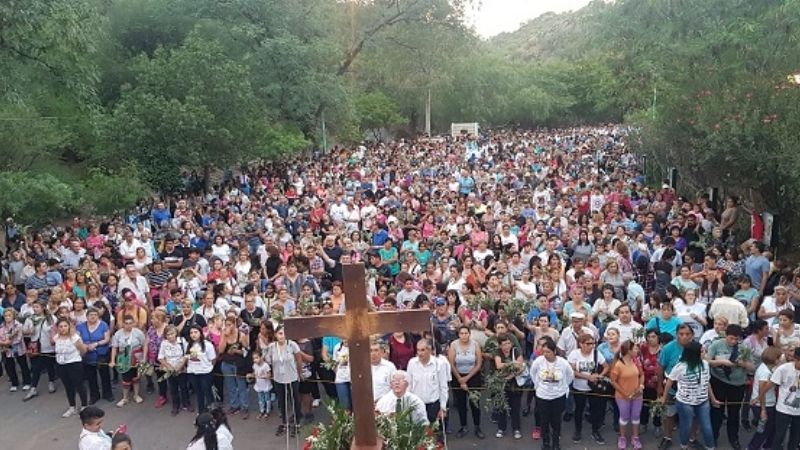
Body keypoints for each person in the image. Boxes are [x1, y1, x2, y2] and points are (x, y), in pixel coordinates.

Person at [659, 340, 720, 450]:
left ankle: (710, 447)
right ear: (694, 354)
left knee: (707, 427)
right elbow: (669, 381)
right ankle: (684, 445)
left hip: (703, 401)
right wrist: (664, 397)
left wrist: (713, 399)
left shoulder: (705, 364)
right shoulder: (681, 366)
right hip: (685, 403)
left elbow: (707, 382)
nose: (704, 354)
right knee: (686, 426)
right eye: (702, 352)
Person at [530, 336, 574, 450]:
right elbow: (533, 373)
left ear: (554, 351)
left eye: (548, 352)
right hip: (543, 396)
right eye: (543, 351)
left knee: (556, 421)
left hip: (558, 396)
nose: (545, 354)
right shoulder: (538, 361)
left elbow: (570, 376)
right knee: (544, 420)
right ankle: (546, 442)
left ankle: (556, 443)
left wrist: (563, 387)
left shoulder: (563, 363)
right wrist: (538, 385)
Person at [657, 324, 694, 450]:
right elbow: (660, 368)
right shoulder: (668, 348)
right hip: (672, 388)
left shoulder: (696, 347)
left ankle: (692, 438)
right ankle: (667, 437)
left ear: (692, 335)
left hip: (690, 389)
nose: (684, 337)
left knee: (692, 415)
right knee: (669, 414)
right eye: (681, 334)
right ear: (676, 334)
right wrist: (660, 389)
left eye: (687, 334)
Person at [567, 333, 608, 445]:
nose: (591, 346)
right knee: (579, 410)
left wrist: (599, 376)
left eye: (593, 343)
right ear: (581, 344)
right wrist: (588, 377)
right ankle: (578, 431)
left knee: (595, 410)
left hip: (593, 388)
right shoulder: (574, 354)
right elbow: (572, 371)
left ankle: (595, 431)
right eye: (588, 344)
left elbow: (606, 367)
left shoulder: (596, 353)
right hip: (579, 387)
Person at [759, 346, 800, 450]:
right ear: (795, 359)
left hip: (798, 411)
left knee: (795, 438)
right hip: (783, 409)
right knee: (779, 436)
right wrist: (759, 398)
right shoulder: (783, 369)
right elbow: (769, 385)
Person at [407, 339, 449, 437]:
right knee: (417, 435)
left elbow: (443, 387)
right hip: (416, 405)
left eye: (422, 350)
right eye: (418, 350)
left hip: (433, 405)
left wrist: (443, 407)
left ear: (429, 350)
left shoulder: (439, 364)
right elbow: (408, 385)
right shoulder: (412, 363)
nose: (420, 353)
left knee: (433, 435)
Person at [265, 325, 303, 436]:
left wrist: (299, 373)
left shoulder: (292, 345)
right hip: (278, 378)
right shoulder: (272, 346)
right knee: (281, 401)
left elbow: (299, 359)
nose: (282, 336)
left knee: (295, 400)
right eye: (280, 333)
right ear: (276, 335)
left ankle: (297, 423)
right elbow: (269, 360)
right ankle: (284, 423)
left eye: (284, 333)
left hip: (292, 377)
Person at [447, 325, 484, 439]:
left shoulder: (475, 344)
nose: (464, 335)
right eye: (461, 333)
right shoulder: (453, 345)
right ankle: (463, 426)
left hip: (473, 376)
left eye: (466, 333)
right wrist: (460, 379)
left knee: (475, 403)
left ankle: (477, 427)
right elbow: (451, 364)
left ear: (469, 334)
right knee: (461, 404)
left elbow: (479, 364)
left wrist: (466, 378)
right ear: (458, 335)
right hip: (458, 376)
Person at [609, 340, 645, 450]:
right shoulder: (618, 365)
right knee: (624, 417)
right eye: (635, 349)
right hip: (623, 397)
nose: (637, 350)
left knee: (636, 417)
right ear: (629, 351)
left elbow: (641, 374)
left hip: (637, 395)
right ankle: (622, 437)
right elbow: (613, 381)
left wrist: (641, 385)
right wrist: (624, 394)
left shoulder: (636, 361)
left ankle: (635, 437)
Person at [109, 314, 147, 407]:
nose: (128, 325)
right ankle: (125, 398)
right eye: (126, 323)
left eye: (130, 323)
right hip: (123, 358)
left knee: (136, 377)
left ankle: (136, 395)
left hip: (136, 356)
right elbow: (114, 347)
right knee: (125, 379)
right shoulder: (118, 334)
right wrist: (112, 360)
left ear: (133, 323)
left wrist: (144, 358)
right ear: (123, 324)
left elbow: (144, 345)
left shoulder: (138, 332)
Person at [53, 317, 88, 417]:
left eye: (65, 326)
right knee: (68, 386)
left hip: (74, 364)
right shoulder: (56, 337)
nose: (63, 328)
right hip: (61, 364)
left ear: (69, 327)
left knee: (79, 385)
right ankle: (72, 407)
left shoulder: (74, 337)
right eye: (60, 326)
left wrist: (77, 357)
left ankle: (84, 406)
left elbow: (83, 350)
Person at [749, 346, 782, 450]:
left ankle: (767, 446)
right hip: (764, 404)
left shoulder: (765, 367)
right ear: (775, 359)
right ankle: (752, 447)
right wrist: (763, 410)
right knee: (764, 429)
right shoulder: (765, 372)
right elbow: (762, 391)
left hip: (768, 403)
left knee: (770, 428)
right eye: (780, 357)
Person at [77, 307, 112, 404]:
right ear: (87, 316)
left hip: (101, 353)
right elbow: (77, 339)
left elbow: (107, 339)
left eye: (95, 315)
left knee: (105, 375)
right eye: (90, 315)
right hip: (87, 355)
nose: (93, 317)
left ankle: (107, 393)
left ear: (98, 316)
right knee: (91, 377)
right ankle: (94, 395)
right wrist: (84, 346)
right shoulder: (80, 327)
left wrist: (96, 344)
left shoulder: (103, 325)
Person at [493, 335, 524, 440]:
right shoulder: (498, 352)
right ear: (500, 345)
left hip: (514, 383)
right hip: (501, 383)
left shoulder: (516, 351)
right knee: (502, 406)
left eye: (508, 343)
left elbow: (520, 366)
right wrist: (511, 363)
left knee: (515, 407)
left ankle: (516, 428)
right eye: (504, 344)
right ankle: (501, 428)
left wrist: (512, 374)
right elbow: (498, 365)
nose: (507, 346)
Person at [158, 324, 191, 415]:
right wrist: (169, 368)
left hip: (181, 368)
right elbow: (161, 357)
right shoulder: (164, 344)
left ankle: (186, 403)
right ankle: (175, 405)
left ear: (176, 333)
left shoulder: (182, 341)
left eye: (172, 334)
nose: (170, 336)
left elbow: (187, 354)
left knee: (184, 387)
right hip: (170, 369)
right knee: (173, 388)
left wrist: (180, 366)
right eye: (168, 334)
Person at [185, 324, 216, 414]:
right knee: (199, 393)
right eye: (191, 333)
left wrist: (208, 368)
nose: (193, 334)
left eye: (196, 332)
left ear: (200, 333)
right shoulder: (188, 345)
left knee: (207, 391)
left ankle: (212, 412)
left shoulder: (208, 345)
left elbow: (213, 359)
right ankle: (201, 412)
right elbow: (187, 357)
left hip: (205, 373)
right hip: (193, 372)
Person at [250, 350, 273, 419]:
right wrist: (251, 375)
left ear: (261, 357)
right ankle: (262, 411)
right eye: (254, 358)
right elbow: (254, 373)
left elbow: (269, 374)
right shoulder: (254, 365)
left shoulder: (266, 366)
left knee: (267, 399)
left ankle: (267, 411)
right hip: (259, 385)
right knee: (260, 399)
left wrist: (266, 376)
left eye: (256, 358)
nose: (255, 360)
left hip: (266, 386)